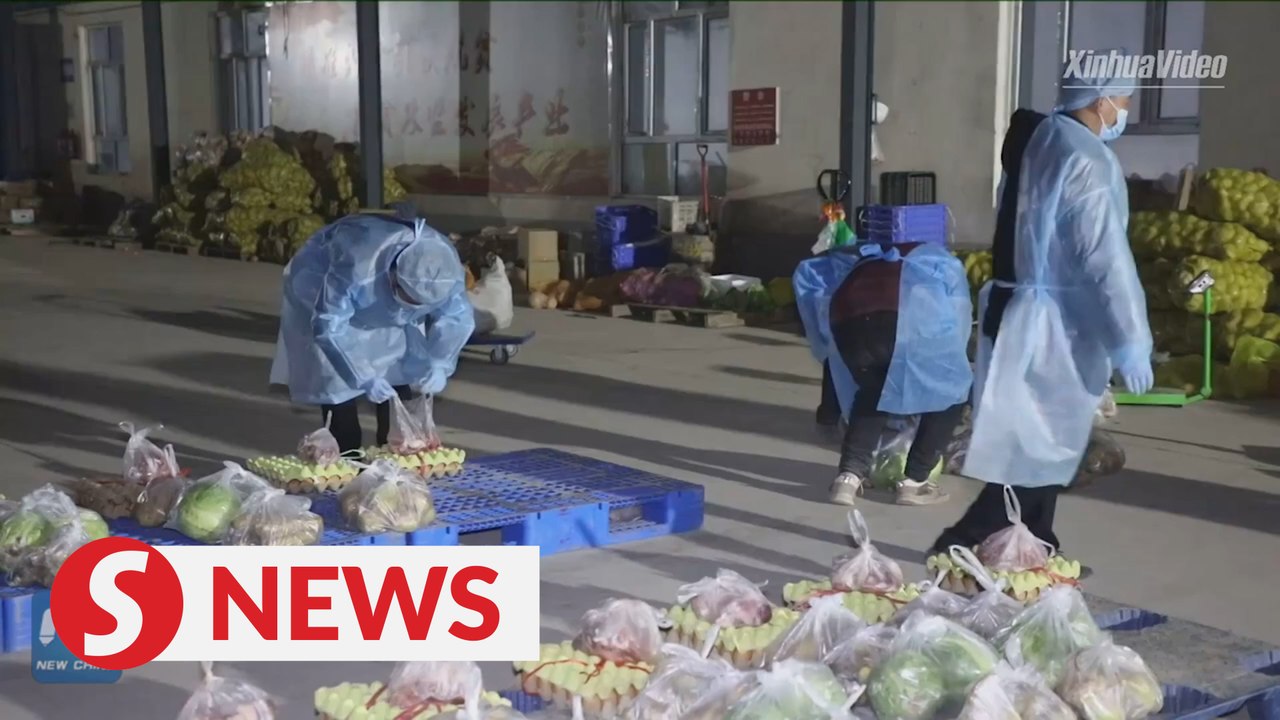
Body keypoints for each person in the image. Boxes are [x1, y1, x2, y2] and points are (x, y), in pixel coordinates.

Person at [931, 55, 1153, 554]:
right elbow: (1103, 258)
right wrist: (1130, 338)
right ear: (1100, 100)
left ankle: (1035, 544)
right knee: (1038, 448)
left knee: (1042, 442)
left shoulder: (1039, 140)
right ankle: (962, 543)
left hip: (1018, 309)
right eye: (1122, 101)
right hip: (1053, 323)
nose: (1123, 112)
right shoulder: (1086, 159)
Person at [269, 212, 475, 453]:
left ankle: (398, 450)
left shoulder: (442, 267)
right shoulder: (358, 267)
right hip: (319, 284)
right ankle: (346, 460)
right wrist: (363, 376)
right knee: (338, 382)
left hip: (378, 303)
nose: (409, 308)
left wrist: (440, 362)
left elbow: (457, 317)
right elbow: (329, 325)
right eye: (407, 299)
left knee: (398, 368)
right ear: (393, 277)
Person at [795, 240, 974, 507]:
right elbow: (957, 321)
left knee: (874, 392)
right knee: (952, 394)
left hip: (849, 322)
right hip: (908, 322)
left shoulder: (870, 259)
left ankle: (848, 479)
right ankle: (915, 482)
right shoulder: (941, 261)